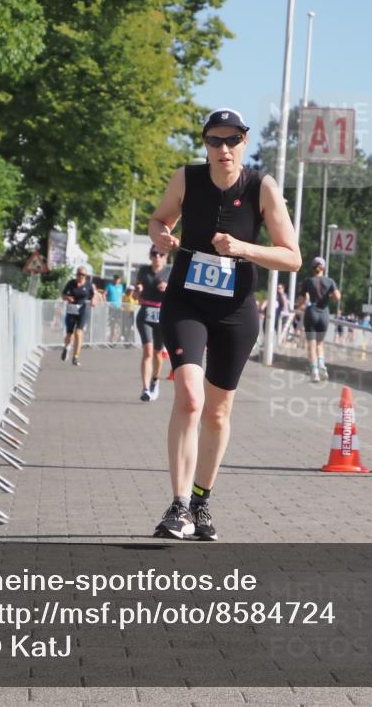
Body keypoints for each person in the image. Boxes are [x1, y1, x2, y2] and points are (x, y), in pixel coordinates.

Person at [148, 108, 301, 540]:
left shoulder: (261, 188)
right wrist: (159, 234)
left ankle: (201, 501)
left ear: (244, 144)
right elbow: (159, 219)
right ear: (205, 145)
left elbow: (292, 257)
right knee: (191, 399)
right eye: (215, 141)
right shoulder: (187, 179)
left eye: (232, 140)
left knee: (217, 411)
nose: (224, 149)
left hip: (235, 310)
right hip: (186, 304)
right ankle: (178, 507)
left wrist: (242, 248)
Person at [134, 247, 171, 402]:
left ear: (166, 257)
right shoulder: (143, 271)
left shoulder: (171, 271)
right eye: (154, 254)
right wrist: (137, 292)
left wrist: (168, 288)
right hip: (145, 315)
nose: (157, 257)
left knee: (157, 353)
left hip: (162, 316)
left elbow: (181, 291)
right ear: (150, 256)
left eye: (161, 254)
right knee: (148, 350)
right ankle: (145, 389)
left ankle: (155, 380)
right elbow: (136, 293)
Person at [300, 257, 340, 382]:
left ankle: (315, 371)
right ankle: (322, 364)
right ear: (324, 268)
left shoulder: (308, 281)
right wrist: (328, 296)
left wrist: (304, 302)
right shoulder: (330, 281)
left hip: (311, 313)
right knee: (320, 343)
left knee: (311, 344)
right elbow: (337, 297)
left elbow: (301, 303)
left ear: (312, 268)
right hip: (324, 314)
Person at [61, 265, 97, 366]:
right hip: (71, 310)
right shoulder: (71, 283)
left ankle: (75, 356)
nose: (81, 276)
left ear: (86, 276)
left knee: (78, 332)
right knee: (69, 334)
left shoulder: (89, 285)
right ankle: (67, 347)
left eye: (83, 275)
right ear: (76, 274)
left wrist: (94, 300)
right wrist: (67, 298)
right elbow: (63, 295)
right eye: (79, 274)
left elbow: (94, 295)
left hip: (83, 310)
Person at [105, 273, 126, 343]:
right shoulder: (109, 286)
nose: (117, 280)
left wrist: (123, 304)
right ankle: (111, 339)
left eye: (118, 279)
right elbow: (104, 294)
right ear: (113, 279)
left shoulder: (121, 287)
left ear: (120, 280)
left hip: (118, 308)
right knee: (112, 323)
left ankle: (118, 337)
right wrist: (105, 302)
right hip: (111, 308)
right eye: (116, 279)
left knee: (118, 323)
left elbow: (122, 296)